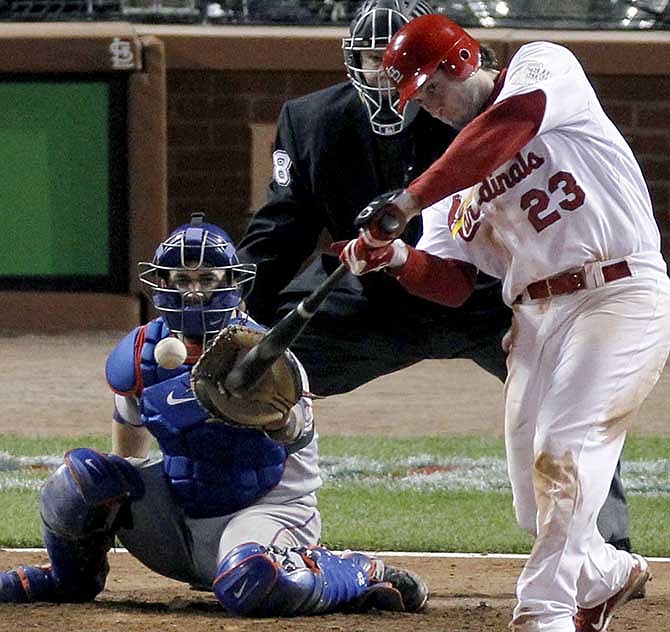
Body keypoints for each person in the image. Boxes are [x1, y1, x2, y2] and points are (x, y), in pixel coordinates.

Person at [236, 0, 634, 557]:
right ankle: (243, 522)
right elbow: (279, 230)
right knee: (256, 371)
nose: (385, 73)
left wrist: (410, 202)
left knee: (571, 401)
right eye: (373, 59)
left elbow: (493, 148)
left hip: (488, 298)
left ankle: (607, 548)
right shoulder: (309, 121)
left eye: (398, 60)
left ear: (449, 63)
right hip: (372, 299)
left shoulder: (474, 108)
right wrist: (235, 318)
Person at [335, 13, 670, 631]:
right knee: (533, 501)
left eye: (431, 89)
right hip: (537, 318)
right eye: (418, 100)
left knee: (565, 452)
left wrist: (405, 203)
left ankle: (542, 614)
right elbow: (456, 284)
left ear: (462, 61)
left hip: (618, 291)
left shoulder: (542, 66)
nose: (428, 108)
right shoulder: (454, 182)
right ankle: (605, 573)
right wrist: (398, 257)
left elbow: (509, 127)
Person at [0, 213, 428, 616]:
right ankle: (67, 580)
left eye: (207, 278)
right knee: (81, 478)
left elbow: (294, 436)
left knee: (250, 581)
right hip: (179, 520)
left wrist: (266, 413)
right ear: (161, 283)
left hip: (262, 513)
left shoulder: (268, 358)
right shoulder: (139, 354)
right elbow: (128, 450)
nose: (193, 291)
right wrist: (111, 495)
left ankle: (357, 571)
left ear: (230, 283)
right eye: (182, 279)